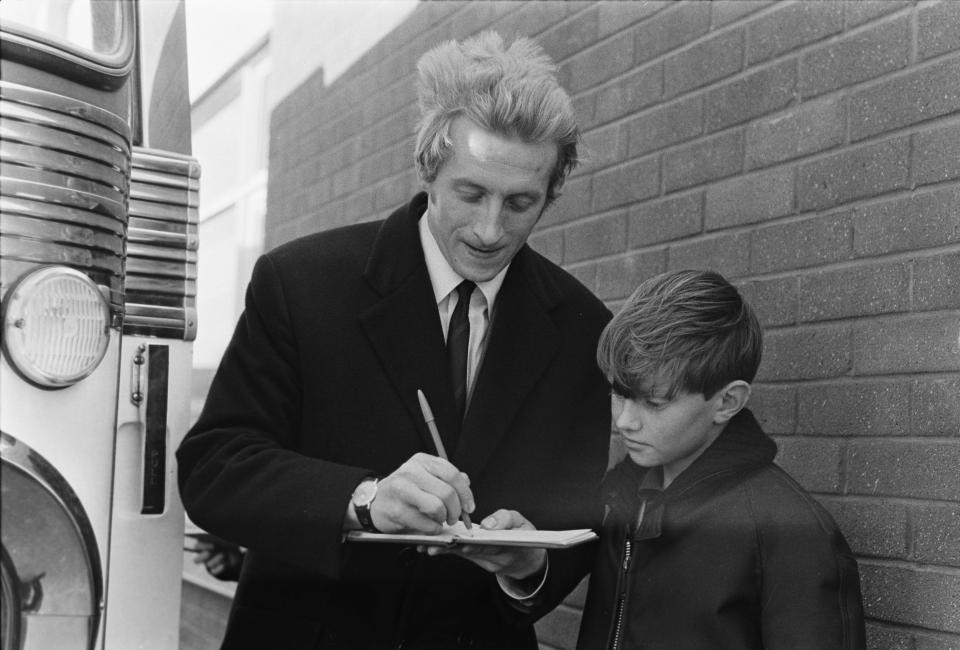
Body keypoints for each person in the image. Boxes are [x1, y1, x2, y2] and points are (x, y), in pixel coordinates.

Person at [176, 31, 612, 650]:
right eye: (471, 193)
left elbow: (575, 516)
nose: (491, 229)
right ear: (428, 170)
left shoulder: (583, 330)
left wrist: (529, 569)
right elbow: (214, 467)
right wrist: (362, 500)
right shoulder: (300, 283)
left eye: (520, 202)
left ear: (552, 193)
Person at [576, 269, 866, 650]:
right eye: (619, 394)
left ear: (727, 401)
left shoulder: (789, 532)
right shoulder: (625, 498)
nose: (624, 421)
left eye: (654, 402)